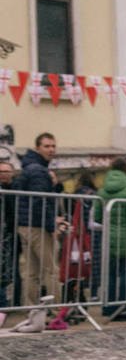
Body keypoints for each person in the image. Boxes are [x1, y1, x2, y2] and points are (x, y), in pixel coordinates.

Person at [14, 132, 65, 307]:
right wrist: (51, 225)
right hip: (38, 226)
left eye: (53, 146)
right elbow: (40, 201)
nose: (51, 150)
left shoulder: (29, 167)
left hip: (26, 224)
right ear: (37, 148)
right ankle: (55, 309)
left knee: (31, 271)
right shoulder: (38, 170)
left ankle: (31, 309)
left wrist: (55, 185)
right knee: (50, 270)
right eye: (46, 146)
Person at [94, 157, 126, 319]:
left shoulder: (102, 191)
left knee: (110, 274)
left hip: (109, 238)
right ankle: (124, 306)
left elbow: (97, 216)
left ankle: (108, 307)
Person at [0, 159, 18, 309]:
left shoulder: (17, 188)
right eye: (1, 172)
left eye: (7, 171)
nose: (4, 174)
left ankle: (14, 302)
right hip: (4, 234)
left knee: (13, 269)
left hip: (13, 234)